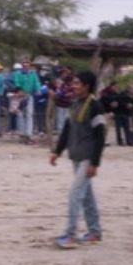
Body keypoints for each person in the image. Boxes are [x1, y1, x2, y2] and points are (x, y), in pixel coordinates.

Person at [50, 71, 106, 249]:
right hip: (75, 155)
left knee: (75, 195)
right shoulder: (74, 104)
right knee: (87, 196)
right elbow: (67, 130)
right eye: (73, 83)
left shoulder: (96, 106)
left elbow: (100, 137)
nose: (73, 86)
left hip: (87, 157)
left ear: (87, 86)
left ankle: (70, 235)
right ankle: (95, 231)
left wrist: (95, 163)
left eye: (77, 83)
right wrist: (57, 151)